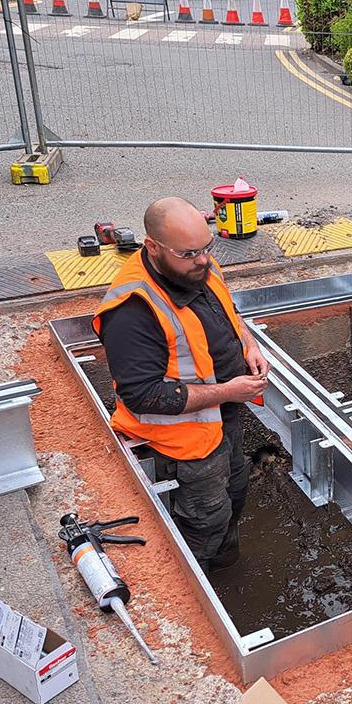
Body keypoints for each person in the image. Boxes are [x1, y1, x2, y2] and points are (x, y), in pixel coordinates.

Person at [93, 197, 270, 573]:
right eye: (189, 253)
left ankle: (227, 565)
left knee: (236, 493)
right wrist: (228, 391)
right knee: (206, 521)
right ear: (153, 247)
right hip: (184, 444)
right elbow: (142, 394)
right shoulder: (132, 310)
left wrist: (250, 346)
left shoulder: (196, 266)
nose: (203, 260)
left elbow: (228, 313)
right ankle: (202, 582)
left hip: (224, 420)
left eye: (207, 248)